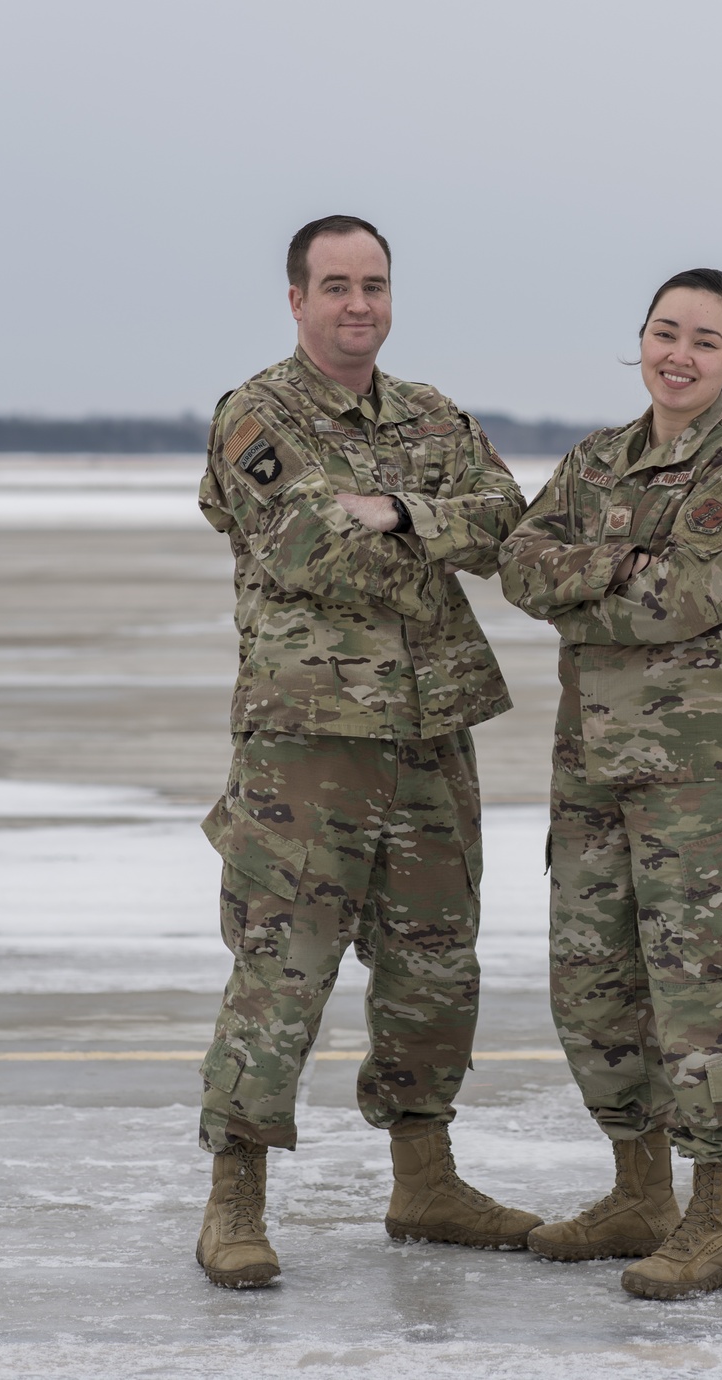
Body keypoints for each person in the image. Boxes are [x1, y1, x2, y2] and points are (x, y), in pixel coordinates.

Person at [195, 214, 542, 1288]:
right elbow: (305, 544)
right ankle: (235, 1198)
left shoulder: (431, 413)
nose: (359, 305)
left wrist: (395, 510)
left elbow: (510, 527)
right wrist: (427, 536)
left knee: (435, 965)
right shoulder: (257, 414)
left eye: (375, 285)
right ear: (296, 299)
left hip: (429, 733)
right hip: (309, 742)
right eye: (336, 285)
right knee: (281, 966)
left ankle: (423, 1179)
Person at [498, 269, 722, 1300]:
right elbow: (520, 565)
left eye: (703, 340)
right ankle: (639, 1195)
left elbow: (681, 601)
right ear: (640, 339)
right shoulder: (596, 459)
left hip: (706, 789)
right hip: (594, 776)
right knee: (594, 993)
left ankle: (716, 1223)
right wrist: (619, 562)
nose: (677, 354)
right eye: (663, 332)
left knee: (705, 1003)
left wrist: (588, 574)